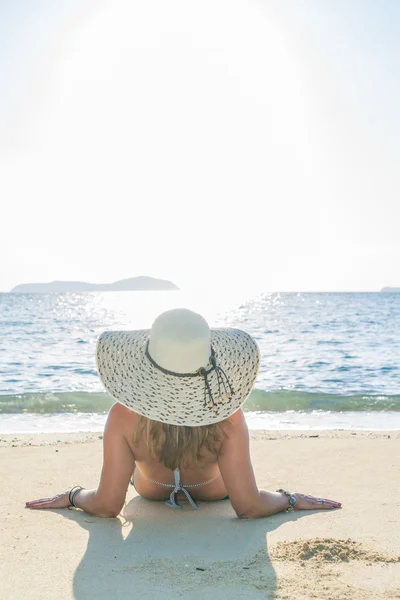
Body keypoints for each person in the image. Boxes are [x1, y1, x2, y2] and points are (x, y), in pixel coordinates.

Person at [26, 308, 341, 518]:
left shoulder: (122, 415)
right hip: (215, 492)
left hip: (151, 491)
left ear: (149, 363)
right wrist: (290, 498)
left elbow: (107, 505)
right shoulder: (228, 414)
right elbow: (249, 505)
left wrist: (73, 496)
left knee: (138, 472)